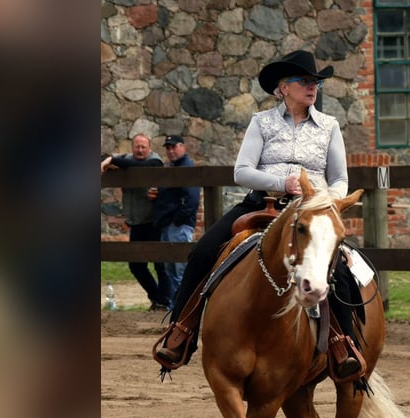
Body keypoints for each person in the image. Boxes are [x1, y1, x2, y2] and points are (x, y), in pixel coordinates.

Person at [154, 50, 363, 380]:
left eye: (316, 83)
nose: (313, 88)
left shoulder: (329, 126)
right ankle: (182, 332)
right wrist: (283, 182)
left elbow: (340, 179)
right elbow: (242, 171)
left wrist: (328, 202)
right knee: (203, 251)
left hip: (312, 211)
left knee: (341, 271)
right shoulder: (261, 122)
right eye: (305, 81)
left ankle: (342, 344)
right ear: (283, 87)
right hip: (263, 204)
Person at [101, 133, 170, 311]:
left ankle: (165, 301)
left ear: (150, 148)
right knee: (135, 264)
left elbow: (141, 166)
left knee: (159, 263)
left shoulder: (155, 161)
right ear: (132, 148)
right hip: (136, 222)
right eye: (137, 147)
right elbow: (109, 160)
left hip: (152, 221)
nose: (140, 150)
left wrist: (112, 160)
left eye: (143, 147)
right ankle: (156, 298)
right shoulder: (127, 160)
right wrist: (109, 161)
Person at [150, 135, 200, 309]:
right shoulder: (173, 168)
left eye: (174, 147)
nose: (170, 151)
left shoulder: (186, 167)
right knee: (170, 269)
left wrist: (177, 220)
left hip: (177, 226)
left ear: (183, 148)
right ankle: (175, 307)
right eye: (168, 148)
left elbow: (192, 199)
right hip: (168, 225)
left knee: (179, 269)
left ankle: (183, 308)